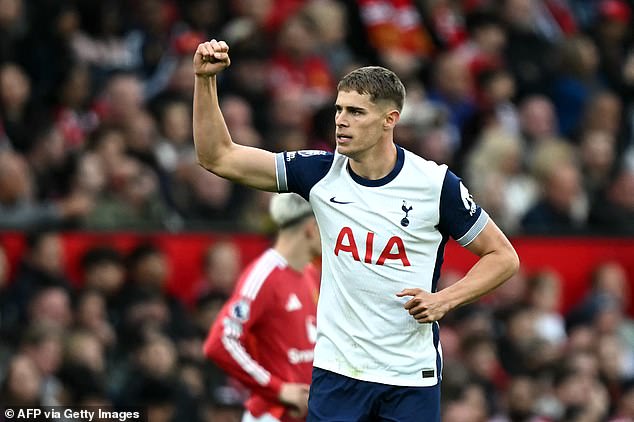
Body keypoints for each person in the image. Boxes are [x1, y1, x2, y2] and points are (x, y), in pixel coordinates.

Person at [193, 39, 519, 422]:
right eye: (338, 109)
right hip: (338, 373)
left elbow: (503, 257)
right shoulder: (319, 172)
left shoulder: (435, 185)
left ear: (389, 120)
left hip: (411, 377)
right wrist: (204, 80)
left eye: (355, 112)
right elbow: (218, 156)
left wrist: (445, 299)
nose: (340, 120)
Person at [203, 193, 322, 422]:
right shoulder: (264, 274)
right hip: (271, 416)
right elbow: (220, 341)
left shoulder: (310, 275)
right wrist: (278, 389)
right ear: (310, 228)